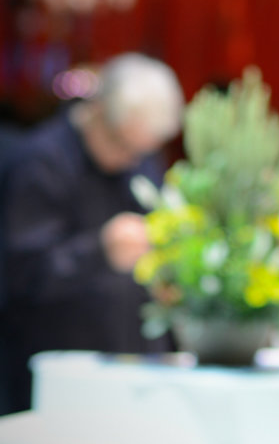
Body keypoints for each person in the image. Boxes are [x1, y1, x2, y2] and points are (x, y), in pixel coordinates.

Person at [0, 53, 183, 414]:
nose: (130, 160)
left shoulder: (140, 162)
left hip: (128, 375)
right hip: (54, 383)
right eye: (123, 145)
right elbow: (18, 276)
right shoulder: (40, 164)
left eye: (142, 151)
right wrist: (99, 250)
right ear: (97, 110)